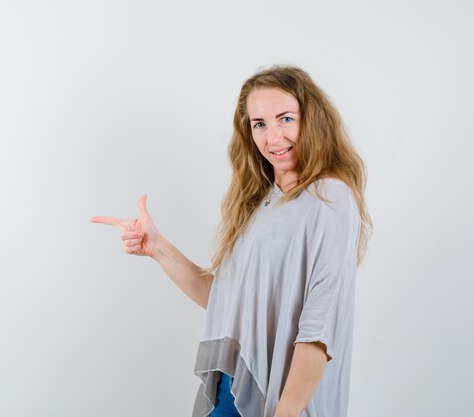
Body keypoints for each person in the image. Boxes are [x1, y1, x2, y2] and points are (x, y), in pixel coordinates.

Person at [90, 65, 371, 417]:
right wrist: (157, 248)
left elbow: (318, 329)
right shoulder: (263, 202)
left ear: (312, 119)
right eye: (260, 124)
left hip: (277, 402)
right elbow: (225, 301)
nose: (273, 137)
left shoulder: (329, 198)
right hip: (232, 390)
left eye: (286, 119)